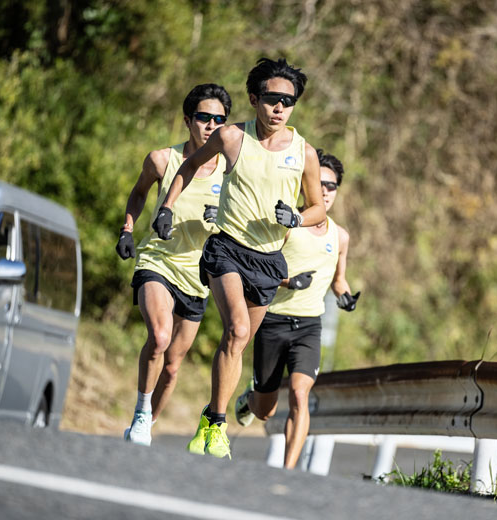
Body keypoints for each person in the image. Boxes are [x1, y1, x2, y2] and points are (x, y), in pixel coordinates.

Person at [156, 57, 326, 459]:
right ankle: (217, 425)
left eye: (289, 100)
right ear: (254, 99)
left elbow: (320, 208)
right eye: (272, 98)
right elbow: (188, 166)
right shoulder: (232, 137)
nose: (280, 107)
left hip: (268, 259)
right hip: (227, 247)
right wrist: (166, 207)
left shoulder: (305, 153)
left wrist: (298, 217)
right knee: (235, 329)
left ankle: (211, 414)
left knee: (240, 341)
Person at [117, 83, 232, 446]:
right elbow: (138, 193)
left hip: (198, 277)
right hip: (158, 262)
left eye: (219, 119)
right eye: (204, 117)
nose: (211, 125)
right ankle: (139, 414)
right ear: (187, 120)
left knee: (172, 366)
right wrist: (128, 229)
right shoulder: (163, 160)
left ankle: (147, 426)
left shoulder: (230, 170)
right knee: (159, 337)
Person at [233, 149, 359, 469]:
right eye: (321, 183)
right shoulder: (288, 224)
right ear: (308, 184)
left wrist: (344, 296)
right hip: (272, 322)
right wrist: (288, 281)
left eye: (332, 186)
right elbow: (257, 271)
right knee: (266, 411)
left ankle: (289, 472)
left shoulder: (340, 236)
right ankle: (250, 399)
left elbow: (338, 279)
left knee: (301, 395)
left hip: (308, 327)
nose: (326, 191)